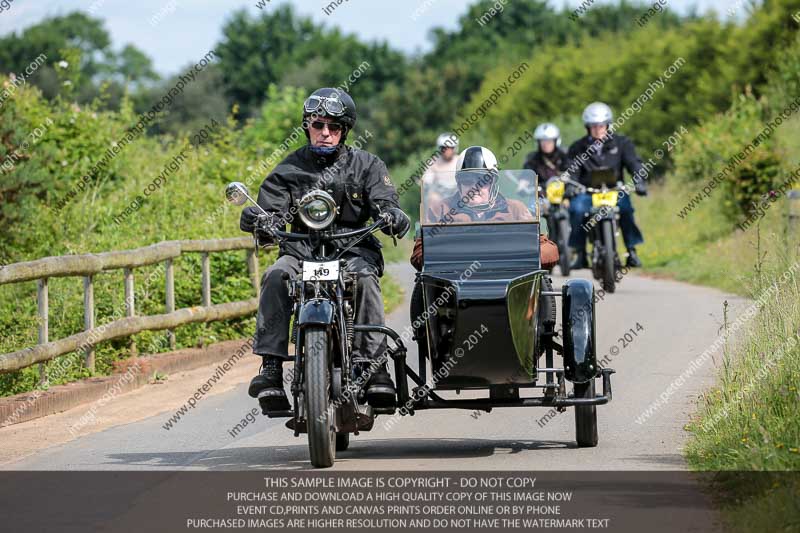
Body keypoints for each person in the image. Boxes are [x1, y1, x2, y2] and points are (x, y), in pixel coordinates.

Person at [239, 87, 410, 411]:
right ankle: (271, 368)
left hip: (353, 247)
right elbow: (270, 210)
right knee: (276, 275)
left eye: (333, 127)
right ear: (308, 127)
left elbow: (385, 201)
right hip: (301, 249)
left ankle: (374, 367)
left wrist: (392, 214)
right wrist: (260, 220)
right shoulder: (288, 169)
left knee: (365, 279)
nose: (325, 133)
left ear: (344, 130)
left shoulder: (367, 165)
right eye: (318, 125)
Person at [410, 146, 559, 270]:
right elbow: (419, 254)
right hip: (451, 283)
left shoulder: (515, 209)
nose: (474, 188)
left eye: (482, 181)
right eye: (467, 180)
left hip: (509, 282)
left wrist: (526, 252)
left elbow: (549, 250)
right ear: (459, 183)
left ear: (493, 183)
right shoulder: (440, 210)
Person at [565, 102, 647, 270]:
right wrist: (570, 186)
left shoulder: (622, 143)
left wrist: (639, 181)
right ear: (588, 127)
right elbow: (572, 170)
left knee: (626, 209)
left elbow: (634, 163)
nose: (598, 130)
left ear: (608, 125)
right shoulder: (577, 147)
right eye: (593, 126)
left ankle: (631, 251)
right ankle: (580, 253)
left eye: (601, 126)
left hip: (614, 191)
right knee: (576, 209)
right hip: (588, 192)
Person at [523, 122, 569, 189]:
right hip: (541, 194)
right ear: (538, 143)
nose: (546, 144)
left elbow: (573, 175)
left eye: (549, 141)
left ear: (556, 141)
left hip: (564, 193)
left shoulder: (565, 155)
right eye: (542, 141)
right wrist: (522, 187)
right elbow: (525, 178)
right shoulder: (533, 159)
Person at [421, 133, 460, 201]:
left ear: (454, 148)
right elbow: (427, 181)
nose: (447, 151)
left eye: (450, 148)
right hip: (439, 198)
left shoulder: (460, 160)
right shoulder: (433, 162)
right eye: (444, 148)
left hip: (458, 196)